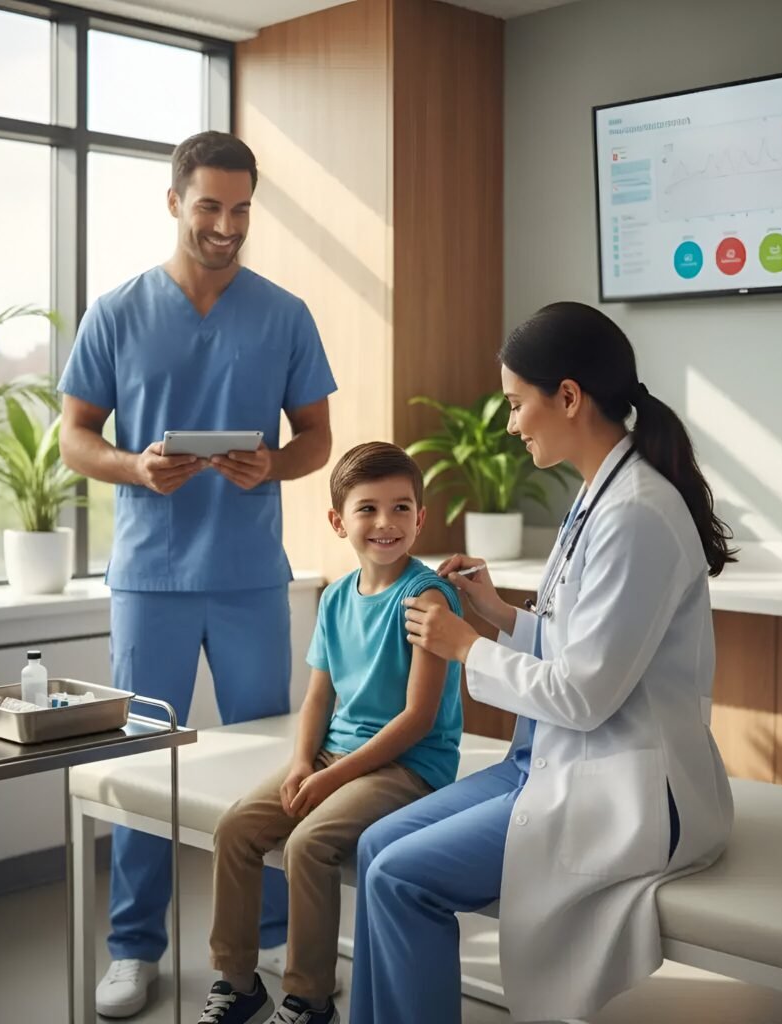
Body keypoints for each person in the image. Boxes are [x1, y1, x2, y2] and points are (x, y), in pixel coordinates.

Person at [350, 301, 737, 1024]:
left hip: (631, 790)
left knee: (402, 879)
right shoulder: (600, 494)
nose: (510, 424)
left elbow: (586, 694)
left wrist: (467, 645)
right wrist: (498, 614)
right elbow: (583, 642)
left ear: (567, 397)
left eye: (515, 403)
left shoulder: (637, 515)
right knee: (376, 845)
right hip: (554, 760)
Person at [58, 131, 336, 1019]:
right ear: (174, 201)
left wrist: (276, 467)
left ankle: (266, 942)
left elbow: (318, 441)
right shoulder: (116, 311)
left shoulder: (284, 312)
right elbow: (75, 438)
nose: (226, 225)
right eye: (210, 205)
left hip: (252, 571)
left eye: (241, 208)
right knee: (144, 762)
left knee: (271, 764)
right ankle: (134, 947)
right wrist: (135, 468)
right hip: (151, 575)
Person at [196, 441, 464, 1024]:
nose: (385, 522)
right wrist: (302, 764)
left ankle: (310, 999)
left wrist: (333, 776)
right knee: (237, 827)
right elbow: (319, 696)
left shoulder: (427, 597)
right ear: (338, 521)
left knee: (308, 845)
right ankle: (238, 982)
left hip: (409, 766)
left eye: (400, 508)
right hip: (335, 754)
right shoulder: (337, 596)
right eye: (368, 509)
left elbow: (418, 718)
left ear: (420, 517)